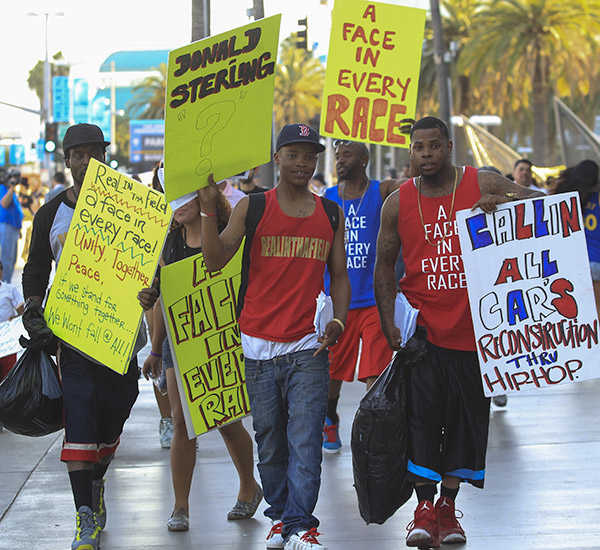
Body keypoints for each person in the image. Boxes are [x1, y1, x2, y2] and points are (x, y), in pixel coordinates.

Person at [374, 117, 543, 548]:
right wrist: (387, 322)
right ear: (410, 152)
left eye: (434, 146)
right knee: (422, 423)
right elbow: (383, 265)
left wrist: (505, 205)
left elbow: (538, 207)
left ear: (449, 147)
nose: (426, 154)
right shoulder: (398, 201)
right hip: (422, 333)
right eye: (419, 148)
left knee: (467, 424)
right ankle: (424, 509)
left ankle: (449, 508)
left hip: (477, 332)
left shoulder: (480, 182)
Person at [198, 123, 350, 550]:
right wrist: (210, 210)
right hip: (258, 347)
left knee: (305, 438)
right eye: (294, 154)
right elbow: (214, 260)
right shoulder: (253, 206)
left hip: (308, 346)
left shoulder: (329, 213)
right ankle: (281, 517)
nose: (303, 163)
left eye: (310, 155)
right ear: (277, 158)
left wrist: (337, 321)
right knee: (270, 440)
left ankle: (303, 524)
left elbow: (338, 276)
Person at [21, 123, 159, 550]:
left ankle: (96, 479)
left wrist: (150, 290)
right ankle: (84, 514)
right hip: (74, 338)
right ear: (67, 161)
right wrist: (32, 311)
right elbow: (34, 273)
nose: (85, 161)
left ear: (104, 154)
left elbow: (151, 266)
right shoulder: (50, 213)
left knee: (117, 409)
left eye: (92, 152)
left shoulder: (132, 210)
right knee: (78, 417)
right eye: (76, 154)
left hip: (119, 341)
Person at [142, 189, 262, 532]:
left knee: (225, 420)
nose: (176, 207)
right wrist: (154, 347)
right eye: (172, 200)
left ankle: (248, 486)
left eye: (184, 199)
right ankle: (180, 506)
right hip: (178, 344)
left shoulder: (226, 235)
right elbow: (164, 298)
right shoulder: (169, 244)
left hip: (219, 339)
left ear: (202, 199)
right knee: (182, 423)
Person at [321, 141, 399, 452]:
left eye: (347, 155)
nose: (340, 160)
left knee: (375, 372)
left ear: (364, 159)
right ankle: (329, 417)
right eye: (338, 156)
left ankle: (370, 428)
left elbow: (415, 184)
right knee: (332, 374)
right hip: (339, 301)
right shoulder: (327, 199)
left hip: (374, 300)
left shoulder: (381, 192)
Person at [554, 160, 600, 313]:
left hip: (576, 261)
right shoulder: (595, 198)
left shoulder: (567, 196)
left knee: (584, 310)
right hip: (597, 259)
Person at [0, 259, 24, 382]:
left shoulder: (9, 290)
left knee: (7, 378)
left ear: (1, 272)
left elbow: (22, 312)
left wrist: (14, 319)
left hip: (6, 341)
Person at [0, 168, 24, 283]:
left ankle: (7, 282)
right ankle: (4, 284)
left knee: (12, 259)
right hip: (7, 225)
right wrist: (11, 187)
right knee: (6, 258)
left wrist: (19, 229)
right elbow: (4, 203)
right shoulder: (3, 189)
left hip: (14, 228)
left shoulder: (12, 191)